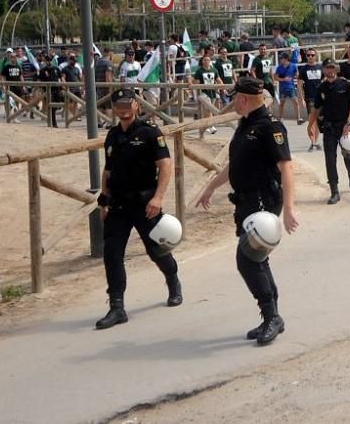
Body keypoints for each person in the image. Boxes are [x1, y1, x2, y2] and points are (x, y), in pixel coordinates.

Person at [195, 77, 298, 345]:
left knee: (247, 259)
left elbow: (286, 166)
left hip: (263, 201)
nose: (232, 103)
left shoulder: (269, 126)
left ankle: (272, 316)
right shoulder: (246, 125)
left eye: (234, 98)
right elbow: (235, 164)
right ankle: (272, 316)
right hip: (245, 202)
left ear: (242, 99)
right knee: (257, 257)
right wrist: (210, 187)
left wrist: (288, 208)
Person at [94, 87, 181, 330]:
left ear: (136, 105)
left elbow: (165, 165)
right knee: (112, 254)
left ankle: (173, 280)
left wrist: (158, 197)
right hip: (119, 204)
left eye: (126, 104)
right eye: (118, 105)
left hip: (145, 203)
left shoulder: (150, 132)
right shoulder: (112, 135)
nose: (122, 109)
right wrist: (104, 201)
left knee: (157, 250)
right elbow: (108, 171)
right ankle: (117, 306)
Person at [309, 58, 350, 204]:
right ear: (323, 70)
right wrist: (310, 125)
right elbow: (316, 108)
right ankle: (334, 191)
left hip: (345, 126)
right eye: (327, 68)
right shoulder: (321, 87)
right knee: (330, 160)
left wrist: (349, 122)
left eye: (332, 68)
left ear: (336, 69)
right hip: (329, 127)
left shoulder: (345, 84)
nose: (330, 71)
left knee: (349, 156)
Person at [299, 48, 323, 151]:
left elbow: (325, 82)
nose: (310, 57)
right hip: (309, 97)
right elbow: (299, 85)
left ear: (316, 56)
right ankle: (312, 142)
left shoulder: (321, 68)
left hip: (320, 98)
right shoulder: (303, 69)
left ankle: (316, 142)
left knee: (318, 121)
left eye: (312, 55)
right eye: (308, 55)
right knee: (311, 121)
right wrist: (302, 99)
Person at [193, 53, 221, 134]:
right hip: (204, 93)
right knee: (209, 110)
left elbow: (218, 80)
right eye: (204, 60)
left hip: (213, 92)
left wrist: (223, 88)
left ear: (210, 61)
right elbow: (196, 83)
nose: (206, 61)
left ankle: (204, 125)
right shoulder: (199, 71)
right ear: (202, 61)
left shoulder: (214, 70)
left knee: (207, 111)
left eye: (208, 60)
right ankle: (211, 126)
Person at [274, 52, 302, 125]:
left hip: (291, 87)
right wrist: (283, 79)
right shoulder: (279, 68)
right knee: (282, 104)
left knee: (295, 102)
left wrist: (295, 76)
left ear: (286, 59)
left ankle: (298, 118)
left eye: (281, 58)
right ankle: (280, 118)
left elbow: (297, 74)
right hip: (283, 88)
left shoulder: (293, 66)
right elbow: (275, 77)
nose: (280, 59)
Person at [38, 54, 63, 127]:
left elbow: (61, 78)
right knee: (51, 106)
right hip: (48, 91)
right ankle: (53, 123)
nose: (49, 62)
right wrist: (41, 89)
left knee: (57, 106)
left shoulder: (56, 69)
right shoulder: (43, 70)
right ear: (45, 61)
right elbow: (40, 80)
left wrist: (62, 88)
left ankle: (52, 120)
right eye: (47, 60)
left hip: (57, 89)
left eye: (50, 60)